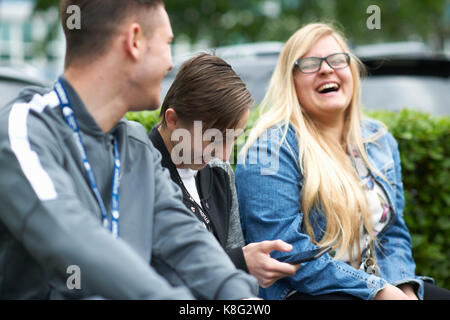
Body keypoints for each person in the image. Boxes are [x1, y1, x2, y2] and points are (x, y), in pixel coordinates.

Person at [0, 0, 258, 299]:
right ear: (134, 41)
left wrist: (240, 296)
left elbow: (184, 236)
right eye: (167, 43)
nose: (170, 63)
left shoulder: (135, 146)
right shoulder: (25, 130)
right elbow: (69, 236)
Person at [235, 22, 450, 300]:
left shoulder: (378, 139)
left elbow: (392, 233)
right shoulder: (269, 151)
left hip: (379, 286)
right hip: (306, 291)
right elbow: (285, 252)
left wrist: (404, 287)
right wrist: (379, 292)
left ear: (352, 70)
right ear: (291, 80)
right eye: (310, 63)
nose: (326, 69)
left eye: (337, 60)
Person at [149, 53, 299, 289]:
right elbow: (151, 274)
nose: (224, 155)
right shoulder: (141, 172)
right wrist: (240, 262)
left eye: (233, 139)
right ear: (173, 120)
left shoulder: (219, 172)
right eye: (213, 139)